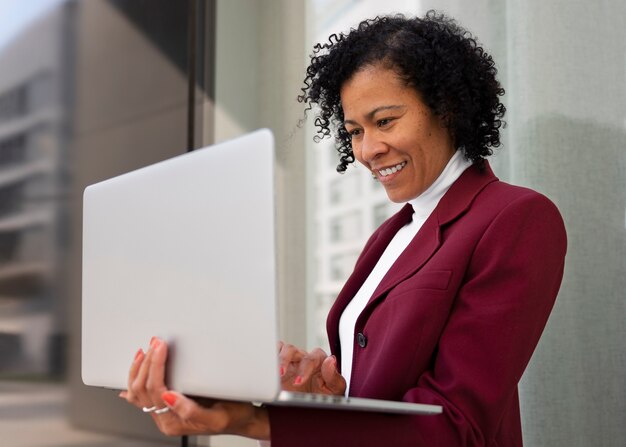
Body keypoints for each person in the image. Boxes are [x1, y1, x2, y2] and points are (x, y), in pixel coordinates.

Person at [121, 11, 567, 446]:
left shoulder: (515, 218)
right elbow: (379, 395)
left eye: (385, 121)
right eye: (354, 130)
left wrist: (256, 422)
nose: (368, 149)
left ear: (446, 108)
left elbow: (456, 427)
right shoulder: (390, 235)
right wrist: (327, 396)